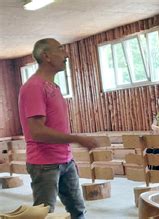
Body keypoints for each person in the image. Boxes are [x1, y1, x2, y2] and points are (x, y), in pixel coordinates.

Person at [18, 38, 99, 219]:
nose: (66, 55)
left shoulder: (53, 86)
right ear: (46, 55)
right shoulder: (33, 87)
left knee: (78, 211)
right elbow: (37, 132)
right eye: (61, 49)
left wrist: (68, 153)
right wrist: (77, 139)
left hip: (65, 160)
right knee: (43, 214)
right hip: (44, 164)